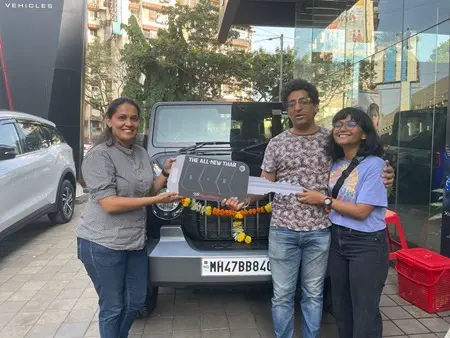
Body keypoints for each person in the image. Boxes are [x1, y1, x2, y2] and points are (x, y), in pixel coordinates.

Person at [224, 79, 394, 338]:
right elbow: (264, 184)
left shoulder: (332, 139)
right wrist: (243, 200)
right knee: (282, 295)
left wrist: (387, 173)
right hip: (283, 229)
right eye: (291, 104)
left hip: (321, 231)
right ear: (286, 110)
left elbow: (358, 162)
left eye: (304, 102)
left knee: (314, 294)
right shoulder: (277, 144)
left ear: (315, 106)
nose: (297, 108)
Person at [76, 97, 181, 338]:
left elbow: (148, 190)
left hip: (134, 242)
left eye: (133, 118)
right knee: (113, 306)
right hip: (102, 244)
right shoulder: (99, 156)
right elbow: (110, 204)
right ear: (109, 121)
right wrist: (156, 201)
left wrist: (165, 174)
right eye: (122, 117)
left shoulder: (141, 153)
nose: (129, 123)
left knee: (136, 301)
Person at [298, 107, 389, 338]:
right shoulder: (336, 163)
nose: (342, 128)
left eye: (350, 124)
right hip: (337, 239)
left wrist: (324, 200)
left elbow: (361, 211)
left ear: (364, 134)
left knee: (364, 309)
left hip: (366, 244)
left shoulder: (375, 165)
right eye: (338, 124)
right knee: (341, 305)